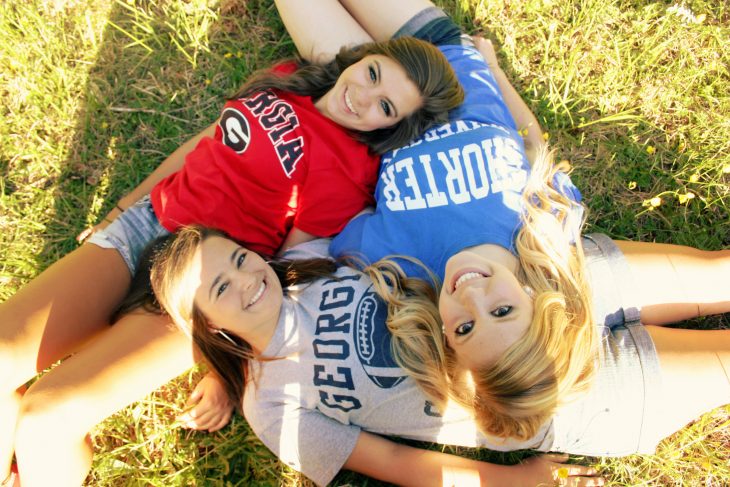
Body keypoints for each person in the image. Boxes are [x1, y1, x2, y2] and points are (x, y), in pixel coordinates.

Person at [0, 32, 464, 487]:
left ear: (391, 127)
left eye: (385, 106)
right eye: (373, 74)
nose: (362, 97)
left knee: (47, 418)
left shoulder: (349, 169)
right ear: (363, 57)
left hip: (202, 290)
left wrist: (230, 370)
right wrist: (122, 209)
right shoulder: (289, 79)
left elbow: (285, 268)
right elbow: (205, 145)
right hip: (146, 225)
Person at [307, 0, 729, 459]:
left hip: (369, 98)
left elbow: (310, 222)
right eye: (502, 310)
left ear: (447, 336)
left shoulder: (394, 258)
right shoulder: (549, 218)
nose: (470, 296)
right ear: (536, 300)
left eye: (466, 326)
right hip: (449, 55)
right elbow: (530, 140)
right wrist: (494, 70)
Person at [148, 225, 605, 487]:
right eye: (222, 287)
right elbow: (392, 460)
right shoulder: (270, 408)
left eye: (240, 257)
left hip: (523, 314)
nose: (247, 278)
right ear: (208, 326)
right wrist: (513, 482)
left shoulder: (305, 264)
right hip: (531, 405)